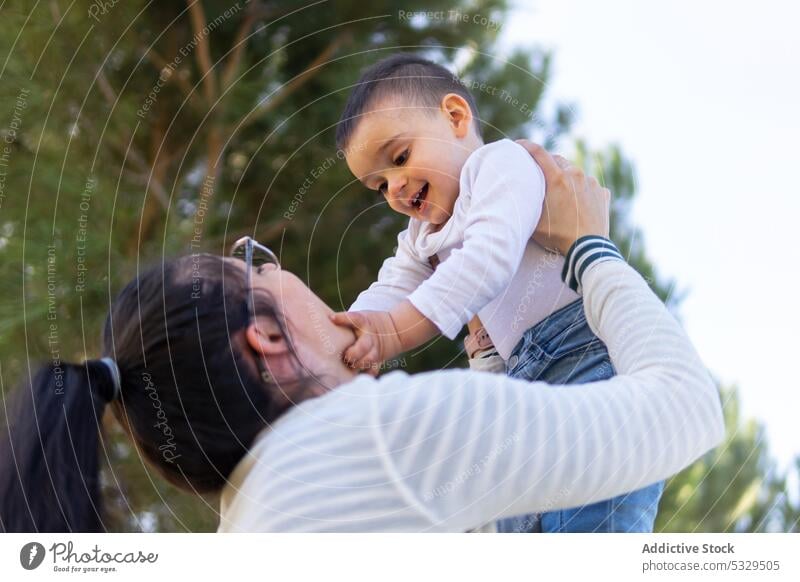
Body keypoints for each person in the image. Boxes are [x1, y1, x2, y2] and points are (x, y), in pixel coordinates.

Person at [0, 144, 724, 533]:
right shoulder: (368, 435)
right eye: (256, 263)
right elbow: (687, 410)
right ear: (265, 337)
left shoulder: (259, 523)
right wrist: (590, 247)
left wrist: (486, 361)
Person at [332, 54, 663, 532]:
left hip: (590, 363)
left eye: (400, 158)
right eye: (379, 185)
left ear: (455, 117)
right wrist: (347, 334)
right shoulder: (422, 235)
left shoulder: (501, 166)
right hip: (520, 391)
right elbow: (390, 286)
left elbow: (489, 258)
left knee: (594, 521)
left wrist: (390, 332)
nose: (396, 187)